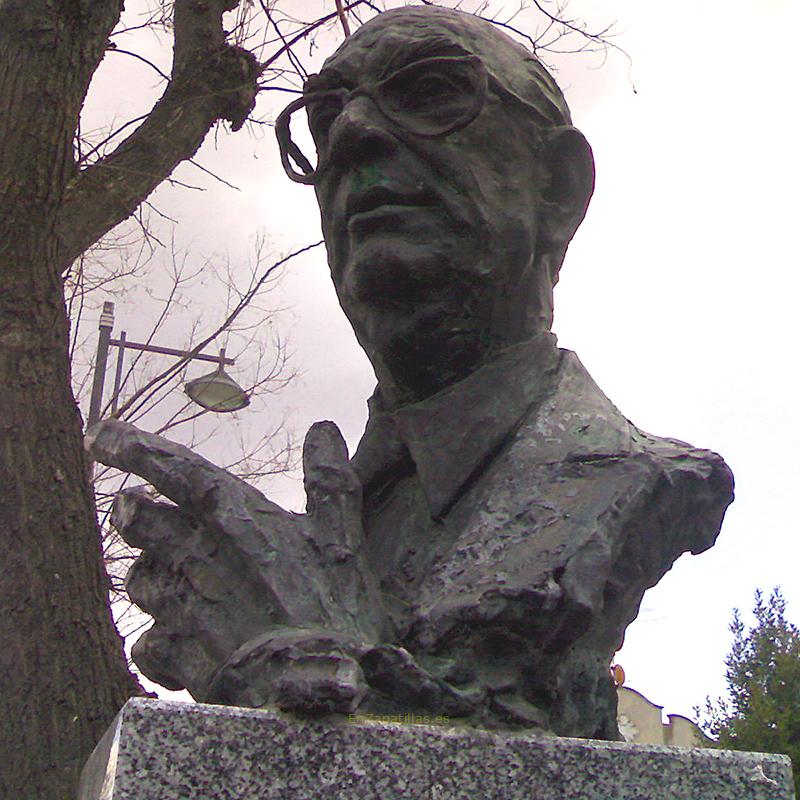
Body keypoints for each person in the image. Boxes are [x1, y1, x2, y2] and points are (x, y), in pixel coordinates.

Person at [88, 6, 733, 738]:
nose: (351, 134)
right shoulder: (329, 531)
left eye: (429, 92)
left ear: (558, 190)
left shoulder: (633, 481)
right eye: (324, 117)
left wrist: (343, 679)